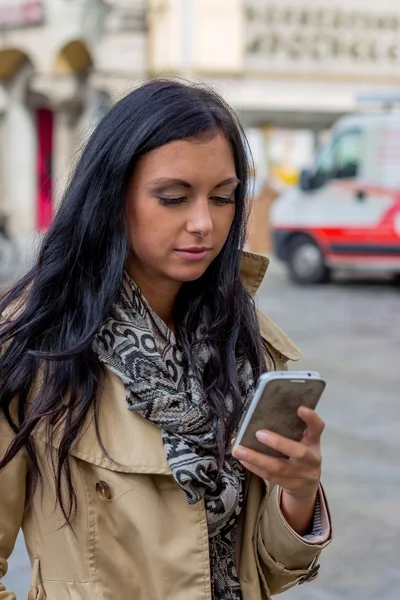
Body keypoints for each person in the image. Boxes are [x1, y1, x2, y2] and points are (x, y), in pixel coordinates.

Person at [0, 79, 332, 600]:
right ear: (112, 195)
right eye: (173, 198)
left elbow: (262, 575)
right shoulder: (36, 347)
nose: (204, 223)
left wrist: (299, 491)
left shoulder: (246, 341)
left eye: (223, 198)